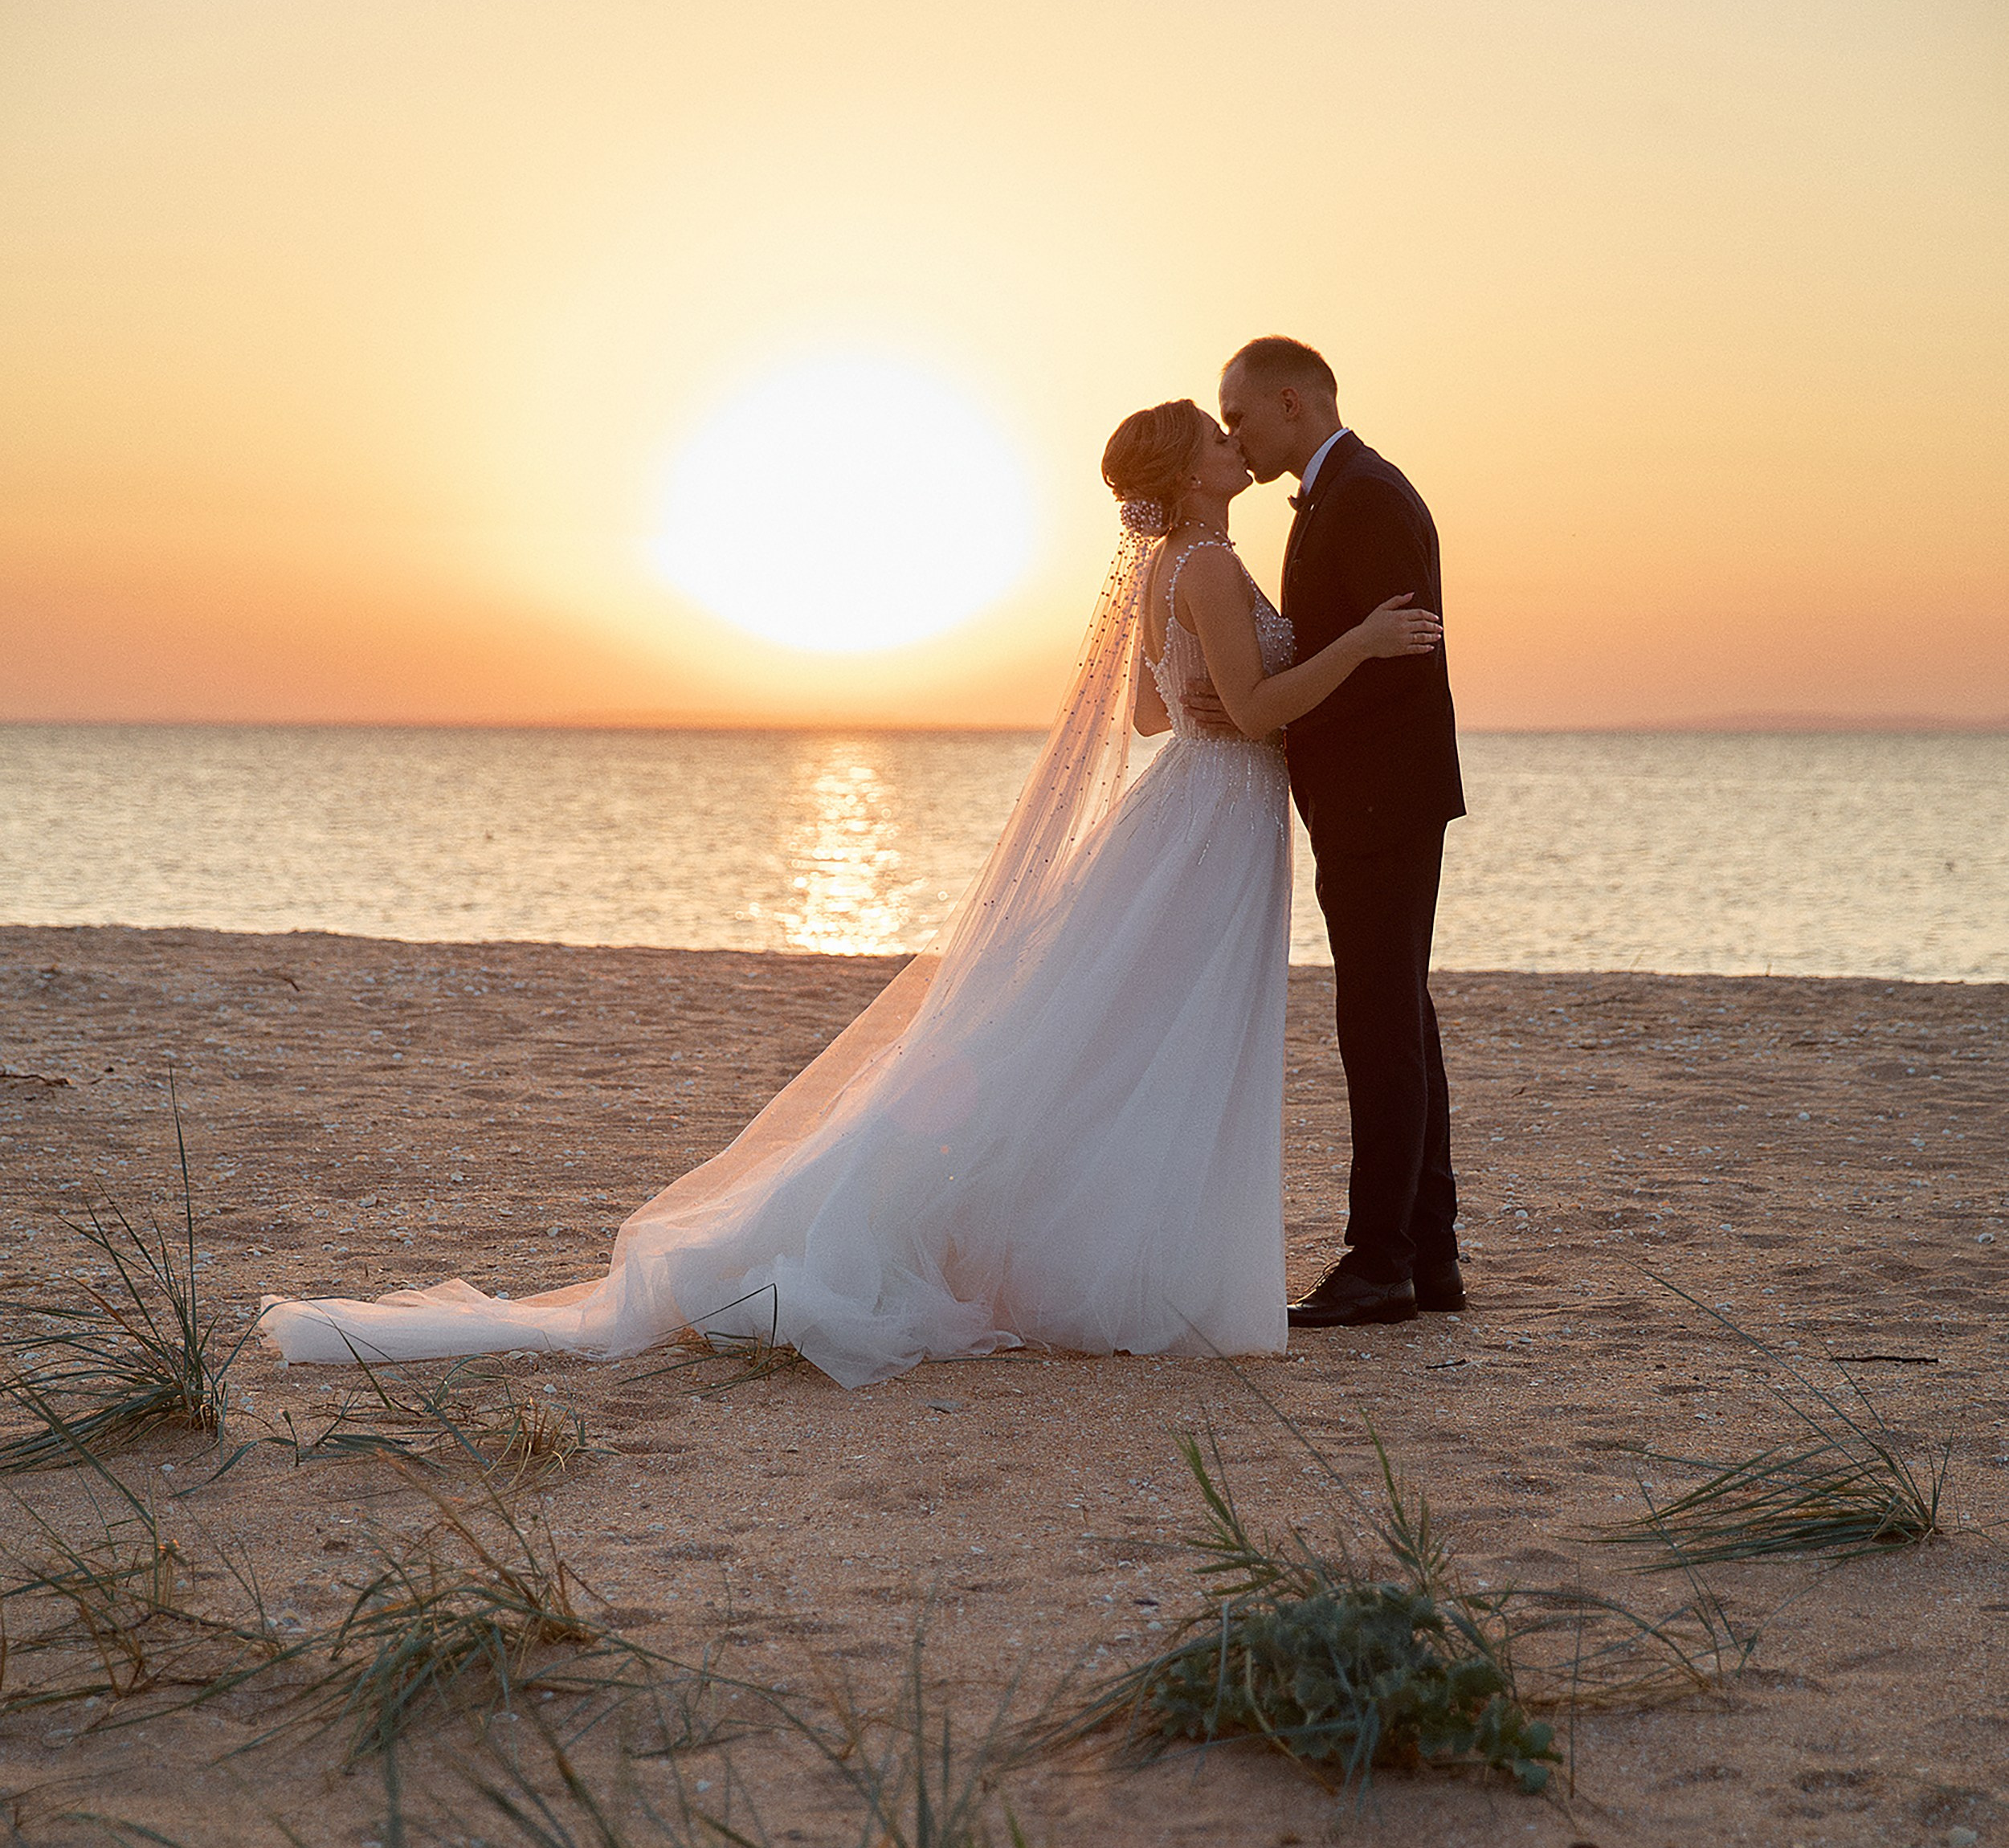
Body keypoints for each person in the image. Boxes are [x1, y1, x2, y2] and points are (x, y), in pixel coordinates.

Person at [258, 398, 1439, 1389]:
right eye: (1219, 443)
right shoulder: (1217, 562)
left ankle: (1103, 1250)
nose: (1241, 448)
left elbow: (1149, 714)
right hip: (1215, 817)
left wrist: (1224, 706)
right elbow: (1265, 707)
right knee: (1168, 1043)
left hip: (1193, 805)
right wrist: (1363, 646)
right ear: (1191, 477)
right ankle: (1125, 1266)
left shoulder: (1160, 572)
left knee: (1130, 1039)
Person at [1217, 336, 1466, 1327]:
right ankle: (1426, 1258)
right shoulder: (1337, 493)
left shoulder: (1363, 494)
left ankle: (1379, 1264)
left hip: (1380, 800)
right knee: (1399, 1019)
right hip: (1369, 798)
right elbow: (1345, 647)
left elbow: (1396, 660)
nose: (1233, 436)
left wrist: (1276, 708)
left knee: (1378, 1028)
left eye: (1238, 417)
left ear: (1290, 403)